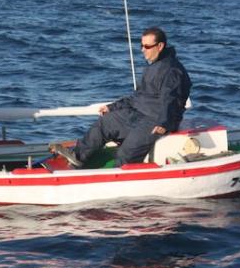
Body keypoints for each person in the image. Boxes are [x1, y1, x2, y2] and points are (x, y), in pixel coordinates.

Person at [52, 27, 192, 168]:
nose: (143, 50)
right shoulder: (153, 66)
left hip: (155, 121)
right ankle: (77, 157)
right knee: (104, 123)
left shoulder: (172, 71)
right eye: (141, 46)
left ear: (160, 46)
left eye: (147, 46)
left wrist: (164, 123)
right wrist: (112, 107)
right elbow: (138, 98)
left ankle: (116, 179)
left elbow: (171, 100)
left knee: (126, 152)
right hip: (138, 114)